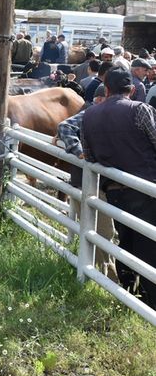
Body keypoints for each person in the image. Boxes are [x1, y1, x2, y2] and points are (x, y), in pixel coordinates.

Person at [80, 67, 156, 305]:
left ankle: (128, 294)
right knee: (147, 245)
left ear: (107, 88)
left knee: (125, 241)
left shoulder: (89, 115)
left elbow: (89, 154)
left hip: (113, 190)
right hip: (146, 188)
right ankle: (149, 302)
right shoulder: (140, 109)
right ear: (132, 90)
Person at [54, 83, 118, 282]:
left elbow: (63, 128)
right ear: (99, 99)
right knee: (103, 233)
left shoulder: (90, 114)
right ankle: (109, 280)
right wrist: (82, 153)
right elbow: (64, 127)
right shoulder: (92, 114)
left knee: (99, 232)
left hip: (89, 183)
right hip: (90, 183)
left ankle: (99, 275)